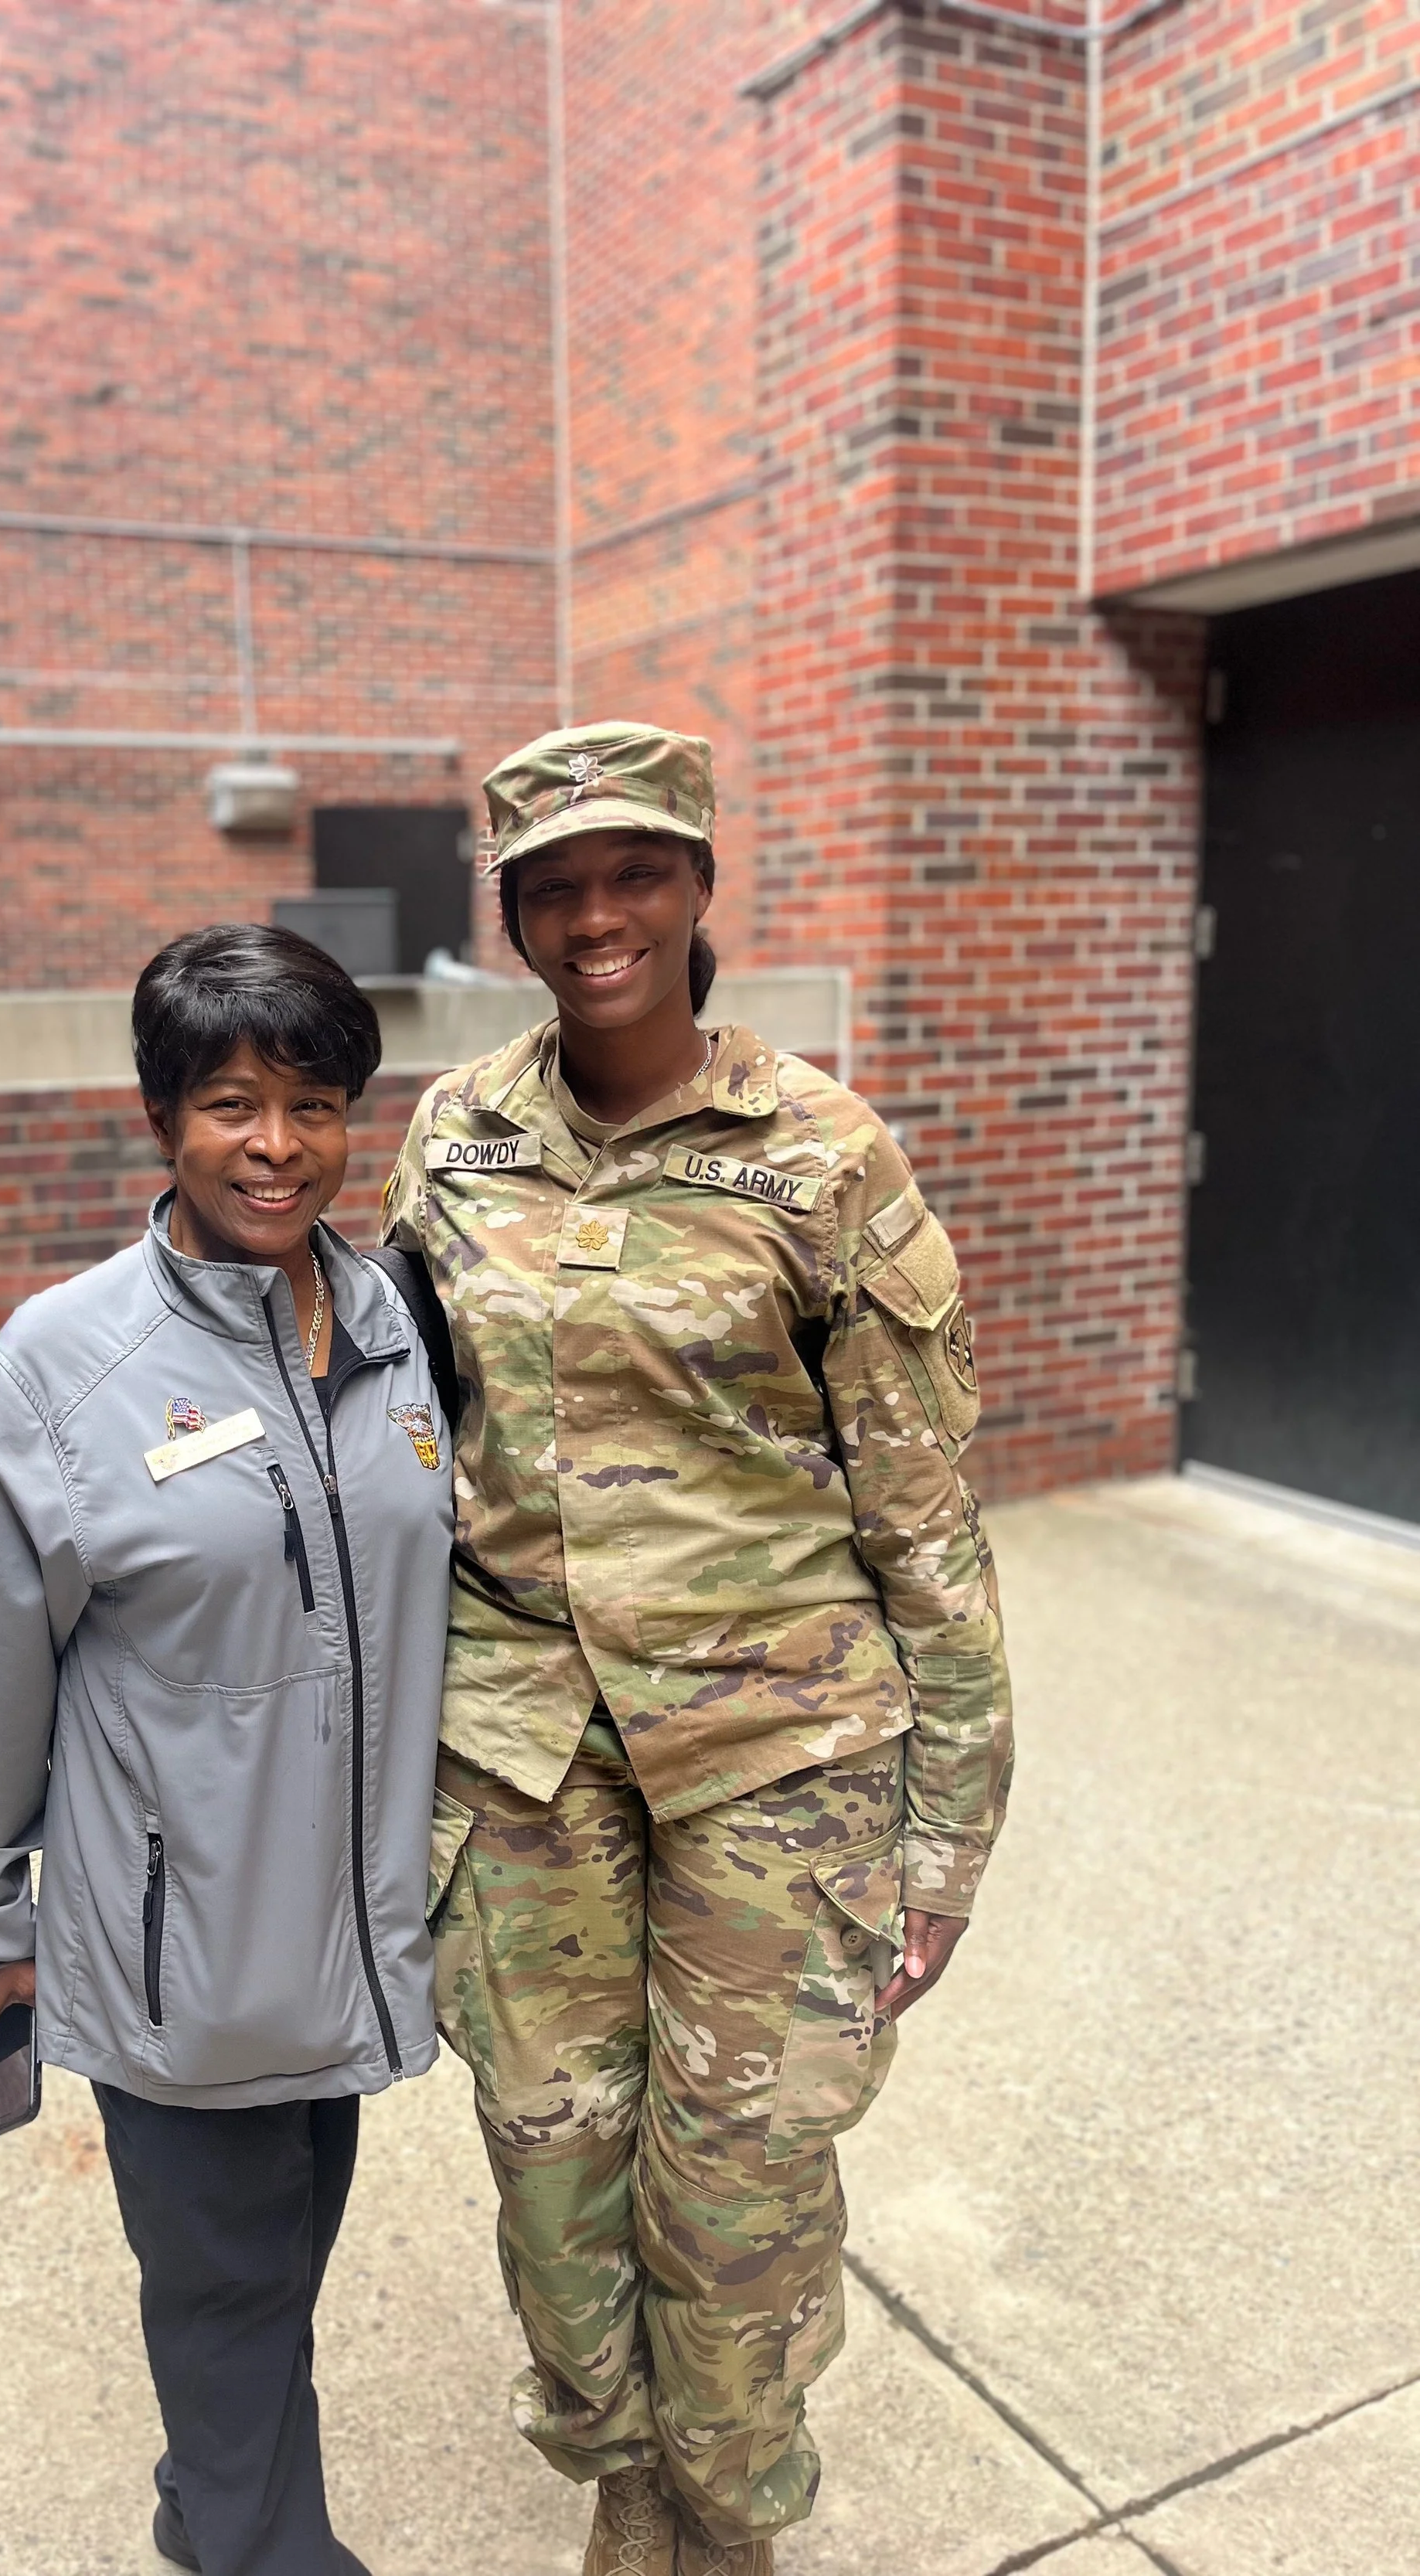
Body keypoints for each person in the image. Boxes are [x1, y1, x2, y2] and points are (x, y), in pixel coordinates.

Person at [381, 721, 1014, 2576]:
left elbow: (918, 1510)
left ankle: (732, 2517)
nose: (597, 916)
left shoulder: (819, 1153)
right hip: (518, 1754)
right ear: (512, 915)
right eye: (556, 886)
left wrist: (948, 1827)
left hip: (779, 1758)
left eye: (632, 874)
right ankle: (619, 2467)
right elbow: (409, 1441)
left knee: (732, 2188)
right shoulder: (455, 1136)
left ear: (696, 886)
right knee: (553, 2169)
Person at [0, 923, 455, 2576]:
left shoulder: (390, 1319)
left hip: (351, 1937)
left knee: (270, 2280)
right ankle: (254, 2546)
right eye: (230, 1102)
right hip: (184, 1950)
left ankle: (202, 2501)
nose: (274, 1146)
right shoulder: (70, 1361)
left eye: (311, 1103)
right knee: (227, 2293)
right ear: (161, 1116)